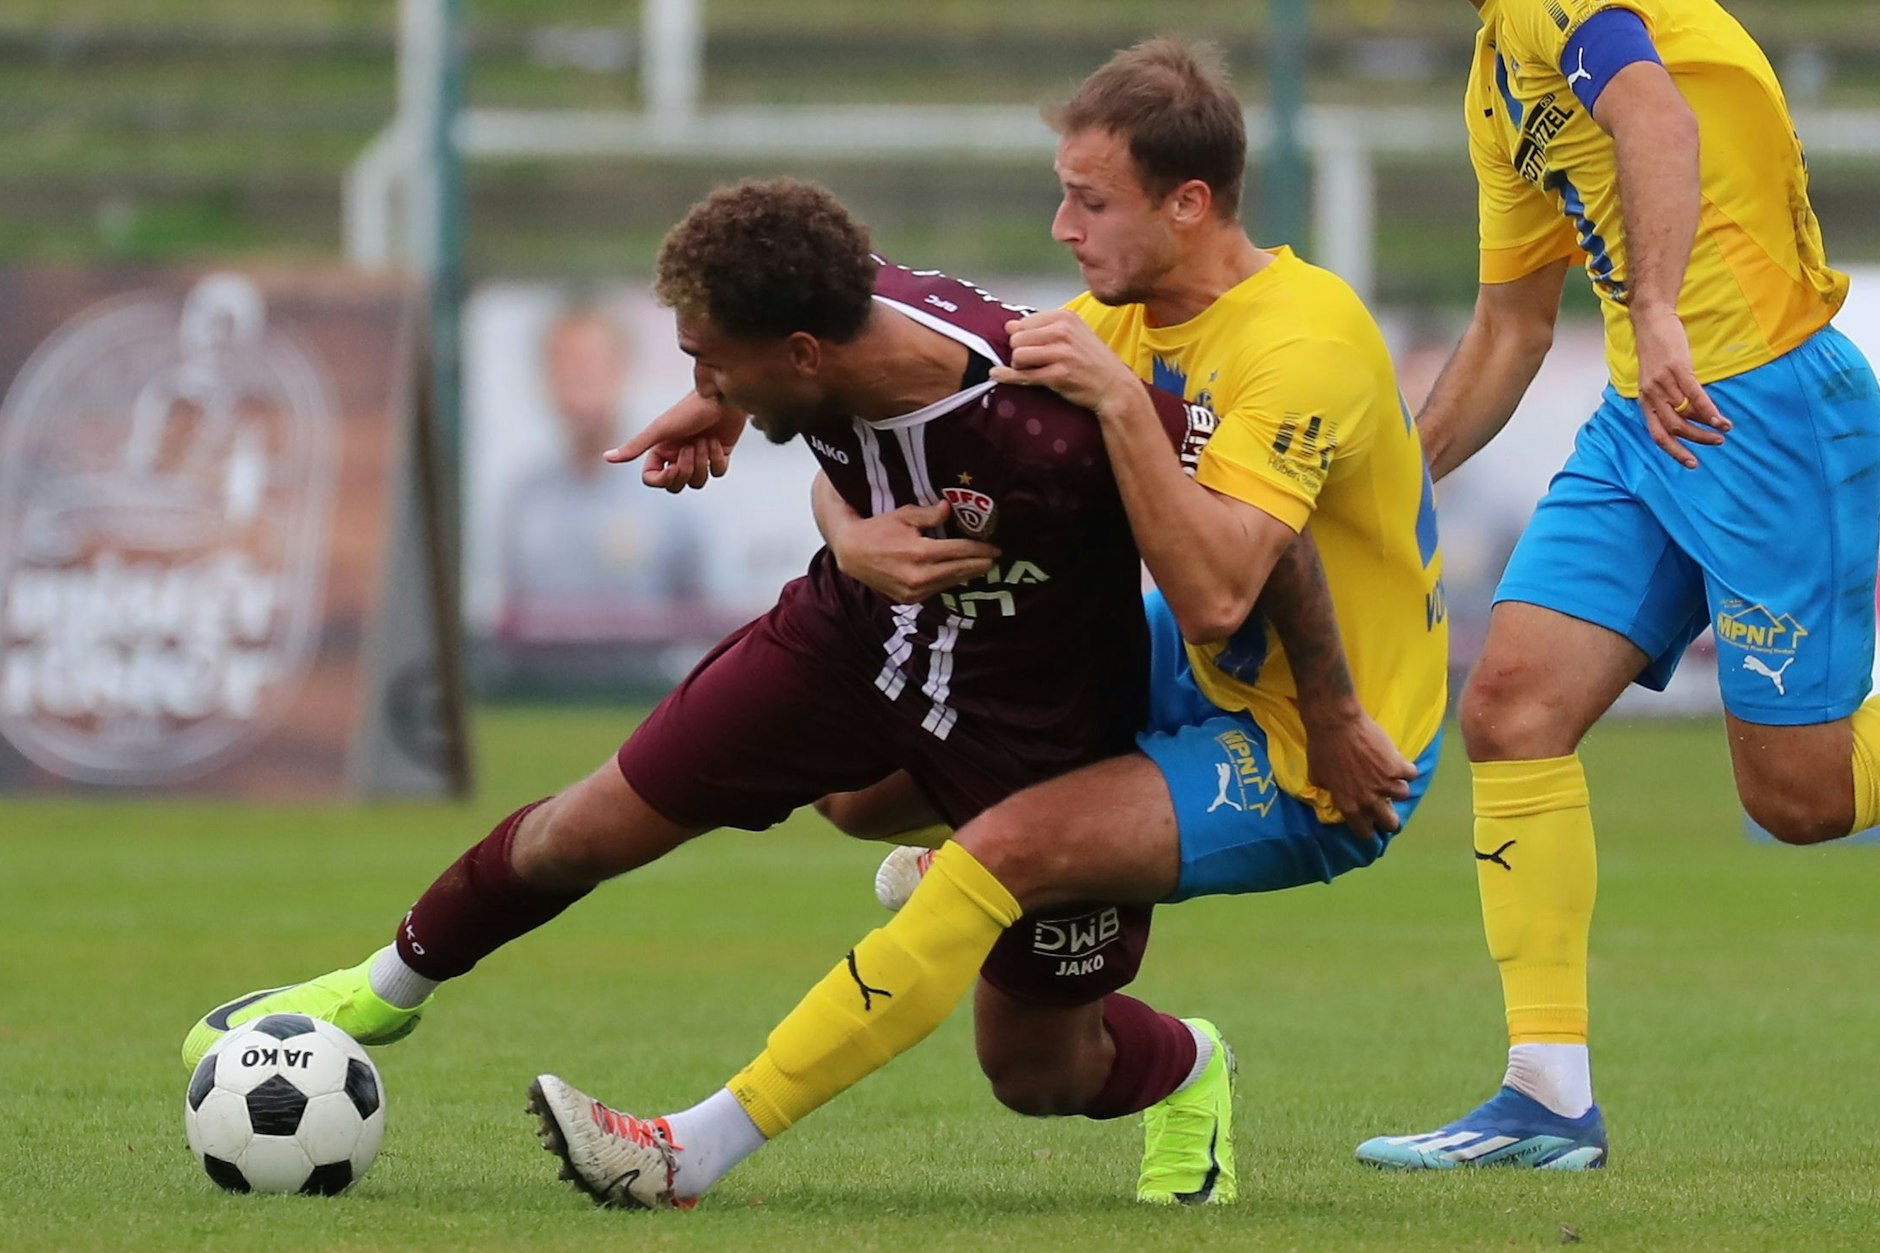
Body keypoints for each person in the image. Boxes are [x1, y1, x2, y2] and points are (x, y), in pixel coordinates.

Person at [179, 176, 1388, 1209]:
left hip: (1037, 734)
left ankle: (1187, 1069)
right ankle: (377, 992)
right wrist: (830, 515)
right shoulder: (829, 308)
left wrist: (1327, 711)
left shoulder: (1051, 429)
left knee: (1034, 1070)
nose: (699, 380)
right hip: (846, 641)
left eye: (711, 361)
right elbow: (816, 415)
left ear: (802, 353)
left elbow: (1255, 544)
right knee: (581, 825)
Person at [543, 38, 1448, 1210]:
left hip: (1324, 746)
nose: (1063, 227)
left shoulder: (1298, 341)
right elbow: (890, 398)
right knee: (908, 878)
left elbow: (1234, 581)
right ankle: (1184, 1061)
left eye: (1089, 199)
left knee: (1000, 852)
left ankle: (686, 1151)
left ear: (1186, 203)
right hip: (1205, 666)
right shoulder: (1119, 314)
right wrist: (731, 394)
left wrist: (1325, 707)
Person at [1354, 0, 1880, 1171]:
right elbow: (1505, 329)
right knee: (1508, 707)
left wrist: (1647, 304)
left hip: (1764, 400)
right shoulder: (1495, 73)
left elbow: (1655, 117)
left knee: (1799, 799)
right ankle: (1543, 1097)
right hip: (1646, 423)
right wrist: (1377, 494)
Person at [495, 305, 706, 646]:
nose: (577, 381)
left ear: (621, 370)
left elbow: (700, 621)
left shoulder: (670, 487)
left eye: (589, 366)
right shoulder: (525, 500)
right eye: (564, 367)